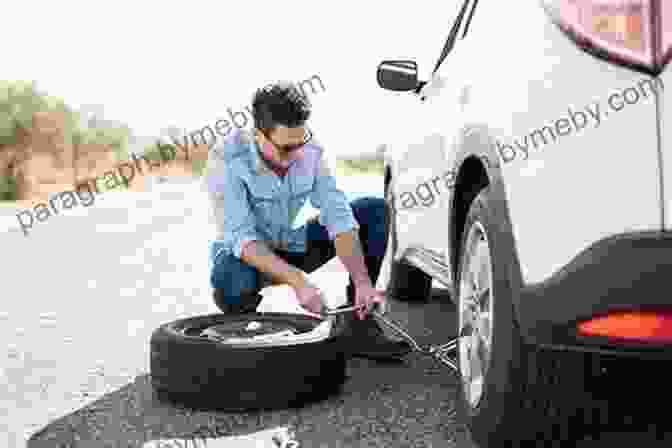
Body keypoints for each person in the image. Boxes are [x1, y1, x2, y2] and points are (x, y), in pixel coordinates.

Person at [205, 81, 411, 361]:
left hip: (292, 244)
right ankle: (245, 335)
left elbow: (338, 217)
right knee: (232, 278)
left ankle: (358, 325)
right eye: (285, 149)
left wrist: (363, 282)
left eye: (299, 143)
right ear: (258, 135)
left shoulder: (309, 152)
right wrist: (298, 281)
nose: (294, 156)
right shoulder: (226, 158)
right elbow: (242, 238)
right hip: (246, 257)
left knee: (373, 210)